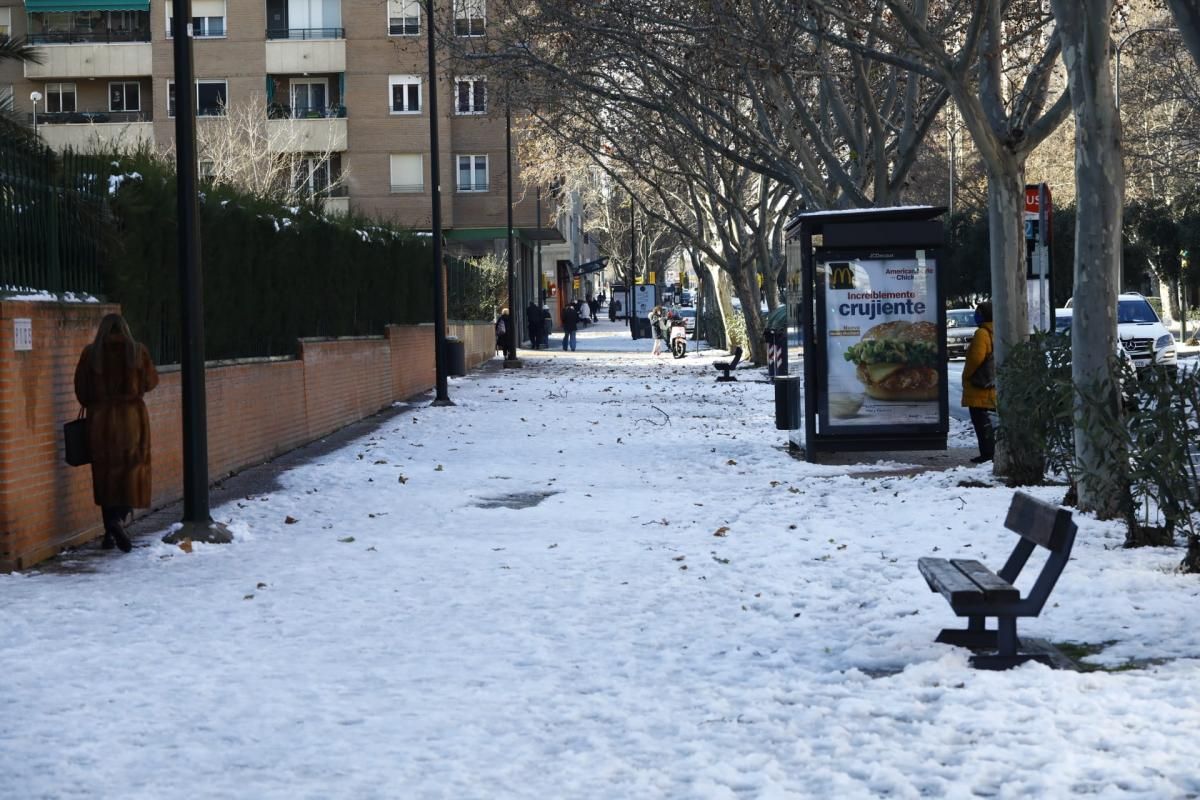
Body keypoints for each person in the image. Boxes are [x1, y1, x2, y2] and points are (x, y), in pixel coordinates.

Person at [73, 313, 160, 553]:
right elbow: (151, 382)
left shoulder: (91, 354)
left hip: (100, 423)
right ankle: (118, 520)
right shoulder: (137, 351)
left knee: (105, 476)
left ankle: (109, 531)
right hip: (131, 421)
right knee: (130, 472)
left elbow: (81, 391)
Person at [962, 301, 996, 464]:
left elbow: (975, 358)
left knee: (981, 423)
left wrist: (966, 375)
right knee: (989, 422)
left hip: (980, 386)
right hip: (992, 385)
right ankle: (990, 452)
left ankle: (987, 454)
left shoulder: (982, 333)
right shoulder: (997, 330)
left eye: (978, 313)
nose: (976, 316)